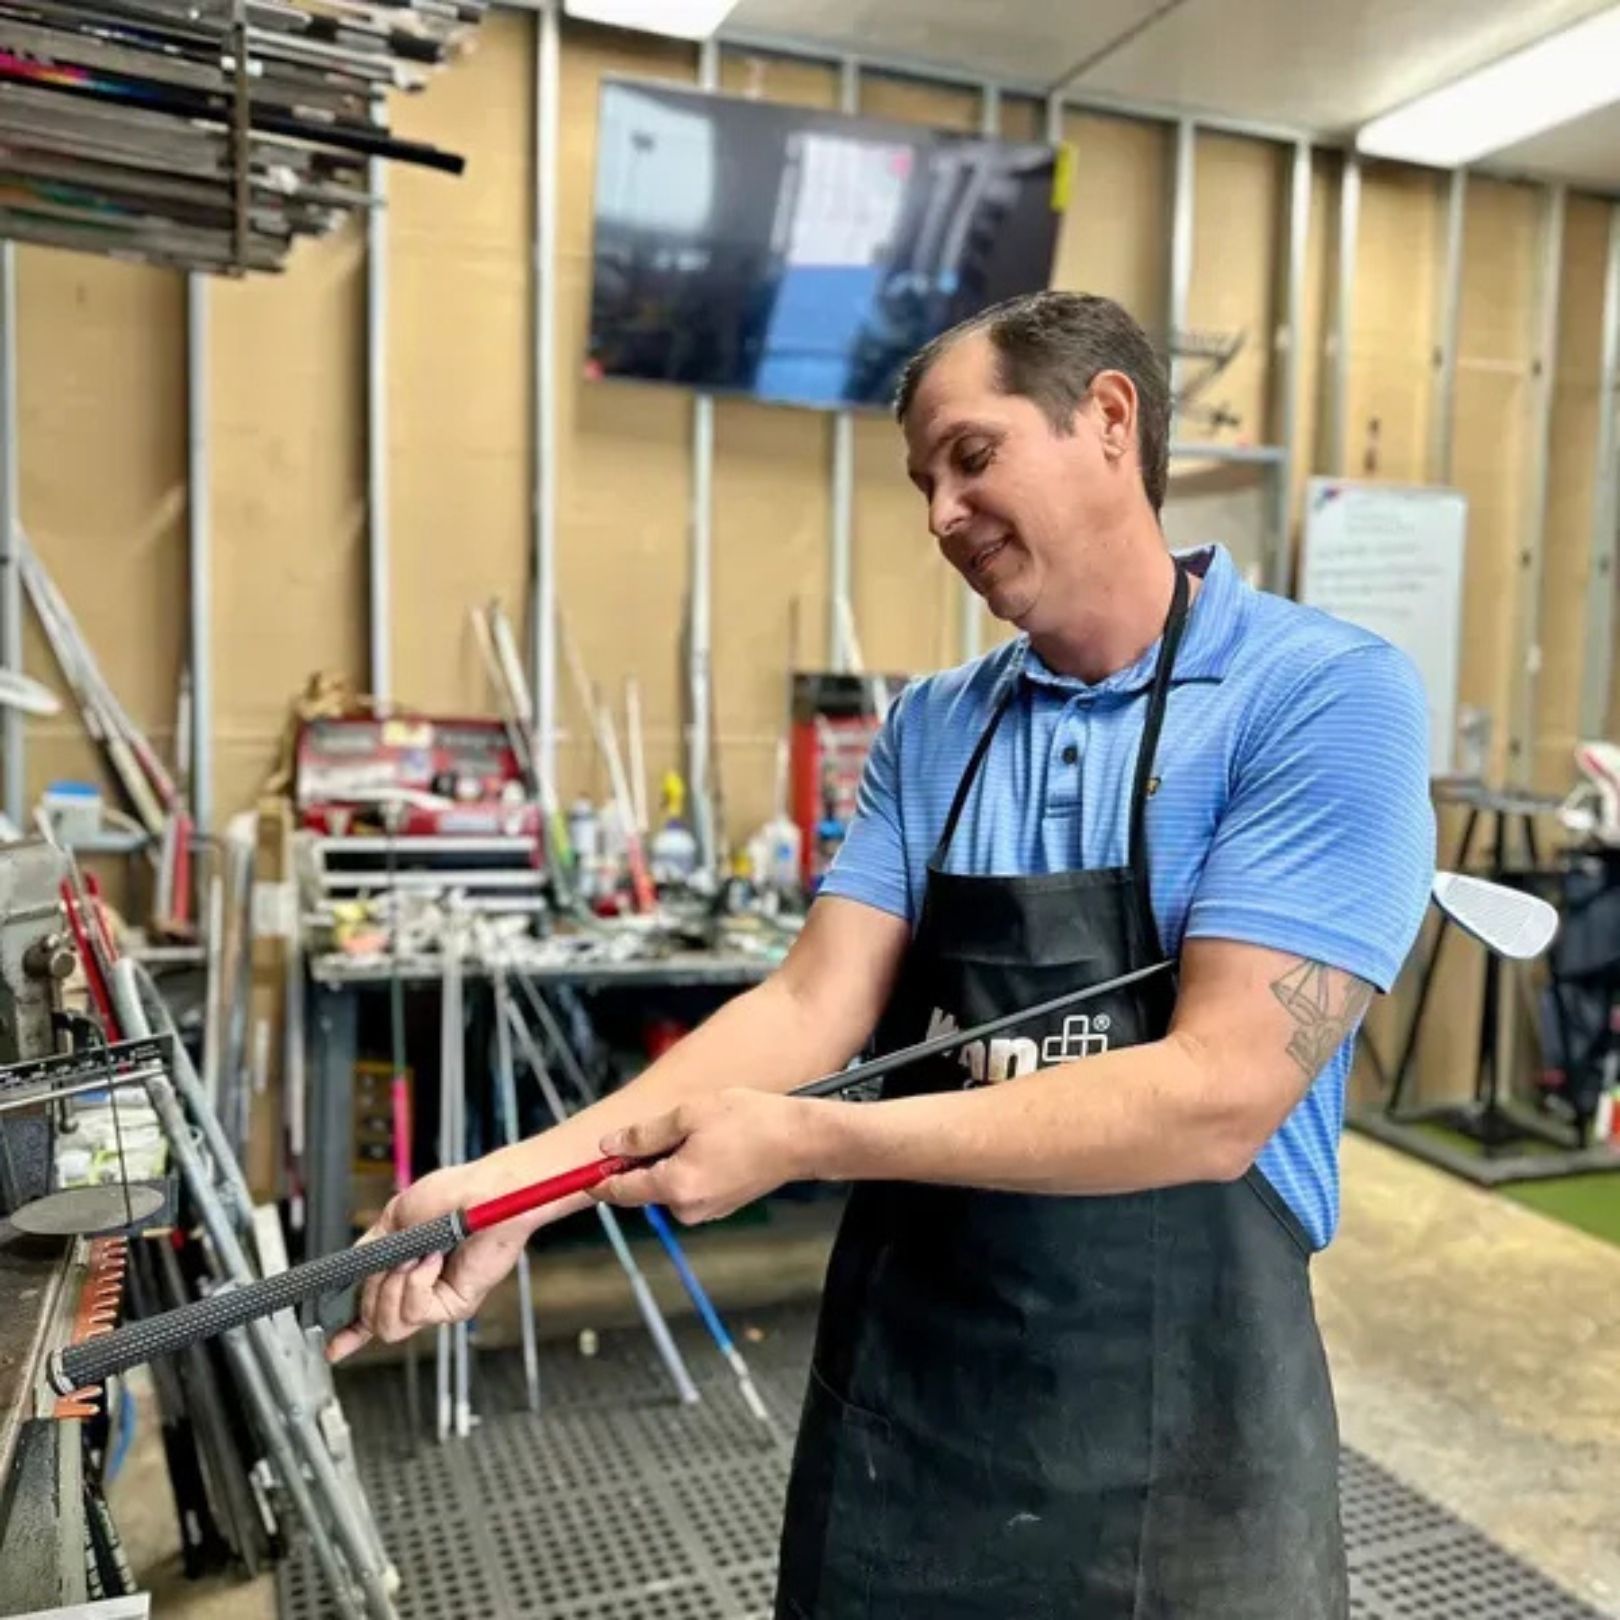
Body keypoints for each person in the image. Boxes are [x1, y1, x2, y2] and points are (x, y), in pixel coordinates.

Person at [330, 290, 1436, 1618]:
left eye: (972, 458)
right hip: (920, 1420)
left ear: (1109, 419)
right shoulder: (936, 728)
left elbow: (1218, 1099)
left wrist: (807, 1142)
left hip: (1196, 1451)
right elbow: (810, 1004)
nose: (939, 517)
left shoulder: (1320, 697)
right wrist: (516, 1189)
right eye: (922, 481)